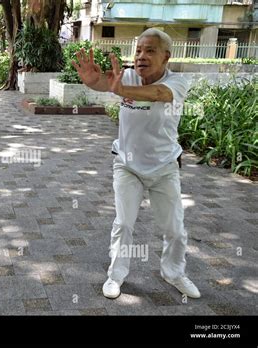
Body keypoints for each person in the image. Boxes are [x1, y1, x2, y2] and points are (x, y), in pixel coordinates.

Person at [72, 28, 201, 300]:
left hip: (164, 166)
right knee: (124, 224)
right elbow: (103, 83)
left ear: (166, 56)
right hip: (127, 165)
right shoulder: (126, 76)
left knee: (175, 229)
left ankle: (174, 272)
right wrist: (92, 81)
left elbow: (157, 94)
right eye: (139, 50)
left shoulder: (178, 81)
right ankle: (115, 275)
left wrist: (119, 89)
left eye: (150, 50)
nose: (141, 56)